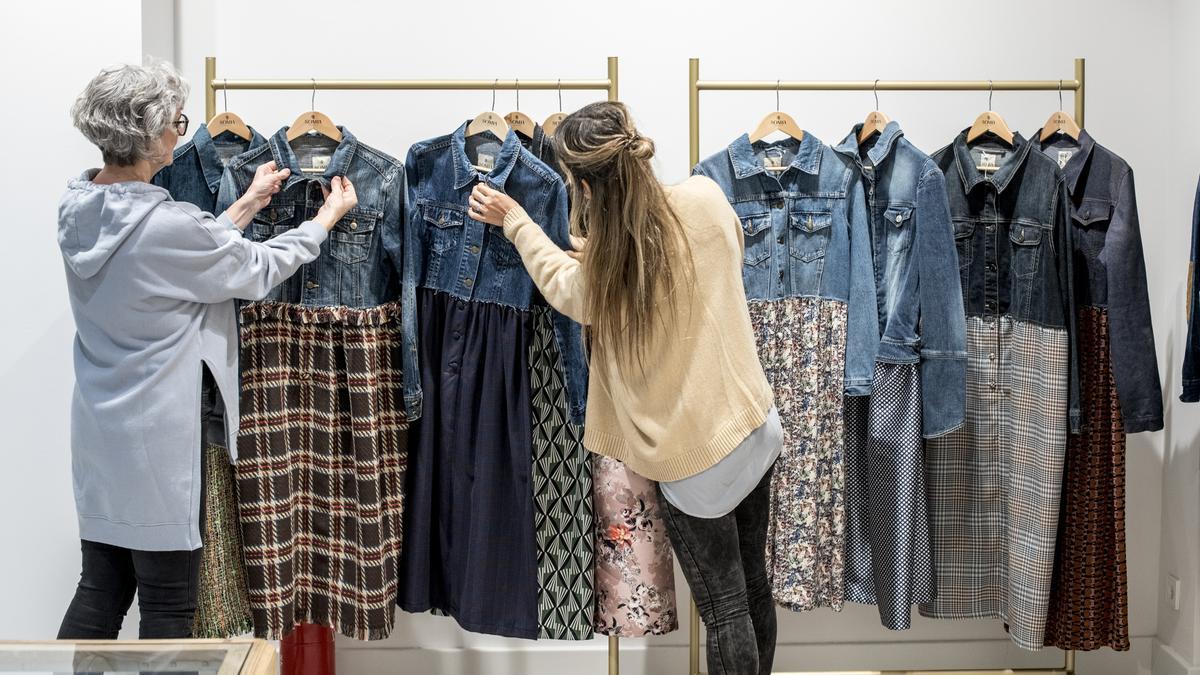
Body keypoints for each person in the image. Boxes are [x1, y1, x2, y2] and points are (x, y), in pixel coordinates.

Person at [469, 101, 782, 675]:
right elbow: (689, 259)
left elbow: (571, 291)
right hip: (753, 424)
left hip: (696, 461)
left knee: (725, 606)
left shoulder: (614, 265)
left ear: (583, 183)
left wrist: (516, 220)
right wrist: (602, 255)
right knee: (754, 584)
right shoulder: (705, 197)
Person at [56, 60, 356, 640]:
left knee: (101, 589)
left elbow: (187, 252)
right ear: (148, 137)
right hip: (160, 439)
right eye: (175, 122)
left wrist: (246, 204)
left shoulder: (79, 209)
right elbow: (253, 268)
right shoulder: (166, 225)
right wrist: (323, 219)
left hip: (100, 428)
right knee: (169, 605)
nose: (180, 131)